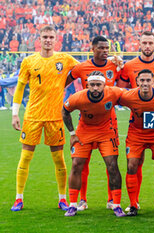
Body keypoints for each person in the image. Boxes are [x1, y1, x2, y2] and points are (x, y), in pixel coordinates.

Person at [11, 25, 79, 211]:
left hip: (55, 117)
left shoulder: (64, 59)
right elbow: (19, 88)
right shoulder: (28, 61)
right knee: (25, 157)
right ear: (39, 39)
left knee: (58, 159)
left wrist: (113, 61)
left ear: (55, 39)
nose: (48, 40)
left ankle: (62, 199)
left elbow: (84, 68)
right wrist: (15, 113)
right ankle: (18, 198)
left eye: (51, 37)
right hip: (32, 116)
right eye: (45, 37)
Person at [68, 35, 122, 211]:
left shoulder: (115, 65)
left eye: (107, 48)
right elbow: (63, 81)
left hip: (109, 121)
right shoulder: (82, 67)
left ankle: (111, 200)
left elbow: (125, 84)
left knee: (111, 162)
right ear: (92, 49)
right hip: (86, 119)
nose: (105, 51)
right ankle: (81, 200)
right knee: (81, 163)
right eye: (101, 48)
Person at [119, 31, 154, 211]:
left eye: (150, 43)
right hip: (137, 121)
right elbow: (119, 91)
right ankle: (133, 203)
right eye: (144, 43)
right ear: (139, 44)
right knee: (134, 163)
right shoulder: (129, 65)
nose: (147, 46)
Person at [62, 71, 125, 217]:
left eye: (98, 85)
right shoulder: (78, 97)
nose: (95, 88)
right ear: (87, 85)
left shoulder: (113, 92)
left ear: (104, 85)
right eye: (92, 85)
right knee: (77, 164)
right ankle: (72, 205)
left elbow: (131, 95)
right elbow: (65, 111)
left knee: (112, 165)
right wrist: (72, 134)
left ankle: (116, 204)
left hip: (106, 132)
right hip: (84, 132)